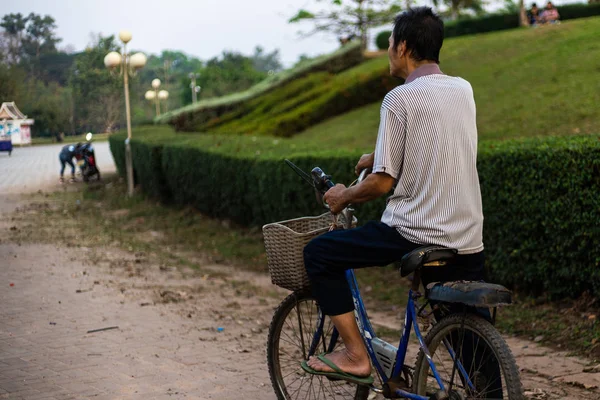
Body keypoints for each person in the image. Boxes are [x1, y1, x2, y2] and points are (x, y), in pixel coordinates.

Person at [302, 6, 488, 384]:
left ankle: (355, 354)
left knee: (319, 254)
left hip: (414, 232)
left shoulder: (398, 99)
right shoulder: (463, 89)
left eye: (388, 43)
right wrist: (380, 153)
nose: (388, 51)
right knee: (474, 350)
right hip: (467, 236)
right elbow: (440, 140)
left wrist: (343, 196)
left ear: (403, 47)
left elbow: (382, 184)